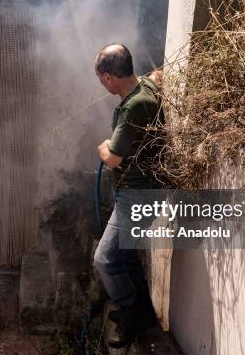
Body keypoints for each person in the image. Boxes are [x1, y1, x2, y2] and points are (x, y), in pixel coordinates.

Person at [93, 43, 163, 348]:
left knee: (105, 259)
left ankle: (131, 315)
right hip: (138, 192)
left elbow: (113, 158)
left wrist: (103, 146)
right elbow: (158, 77)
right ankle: (144, 313)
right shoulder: (143, 85)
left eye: (101, 78)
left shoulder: (135, 105)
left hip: (138, 196)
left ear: (109, 78)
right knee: (127, 257)